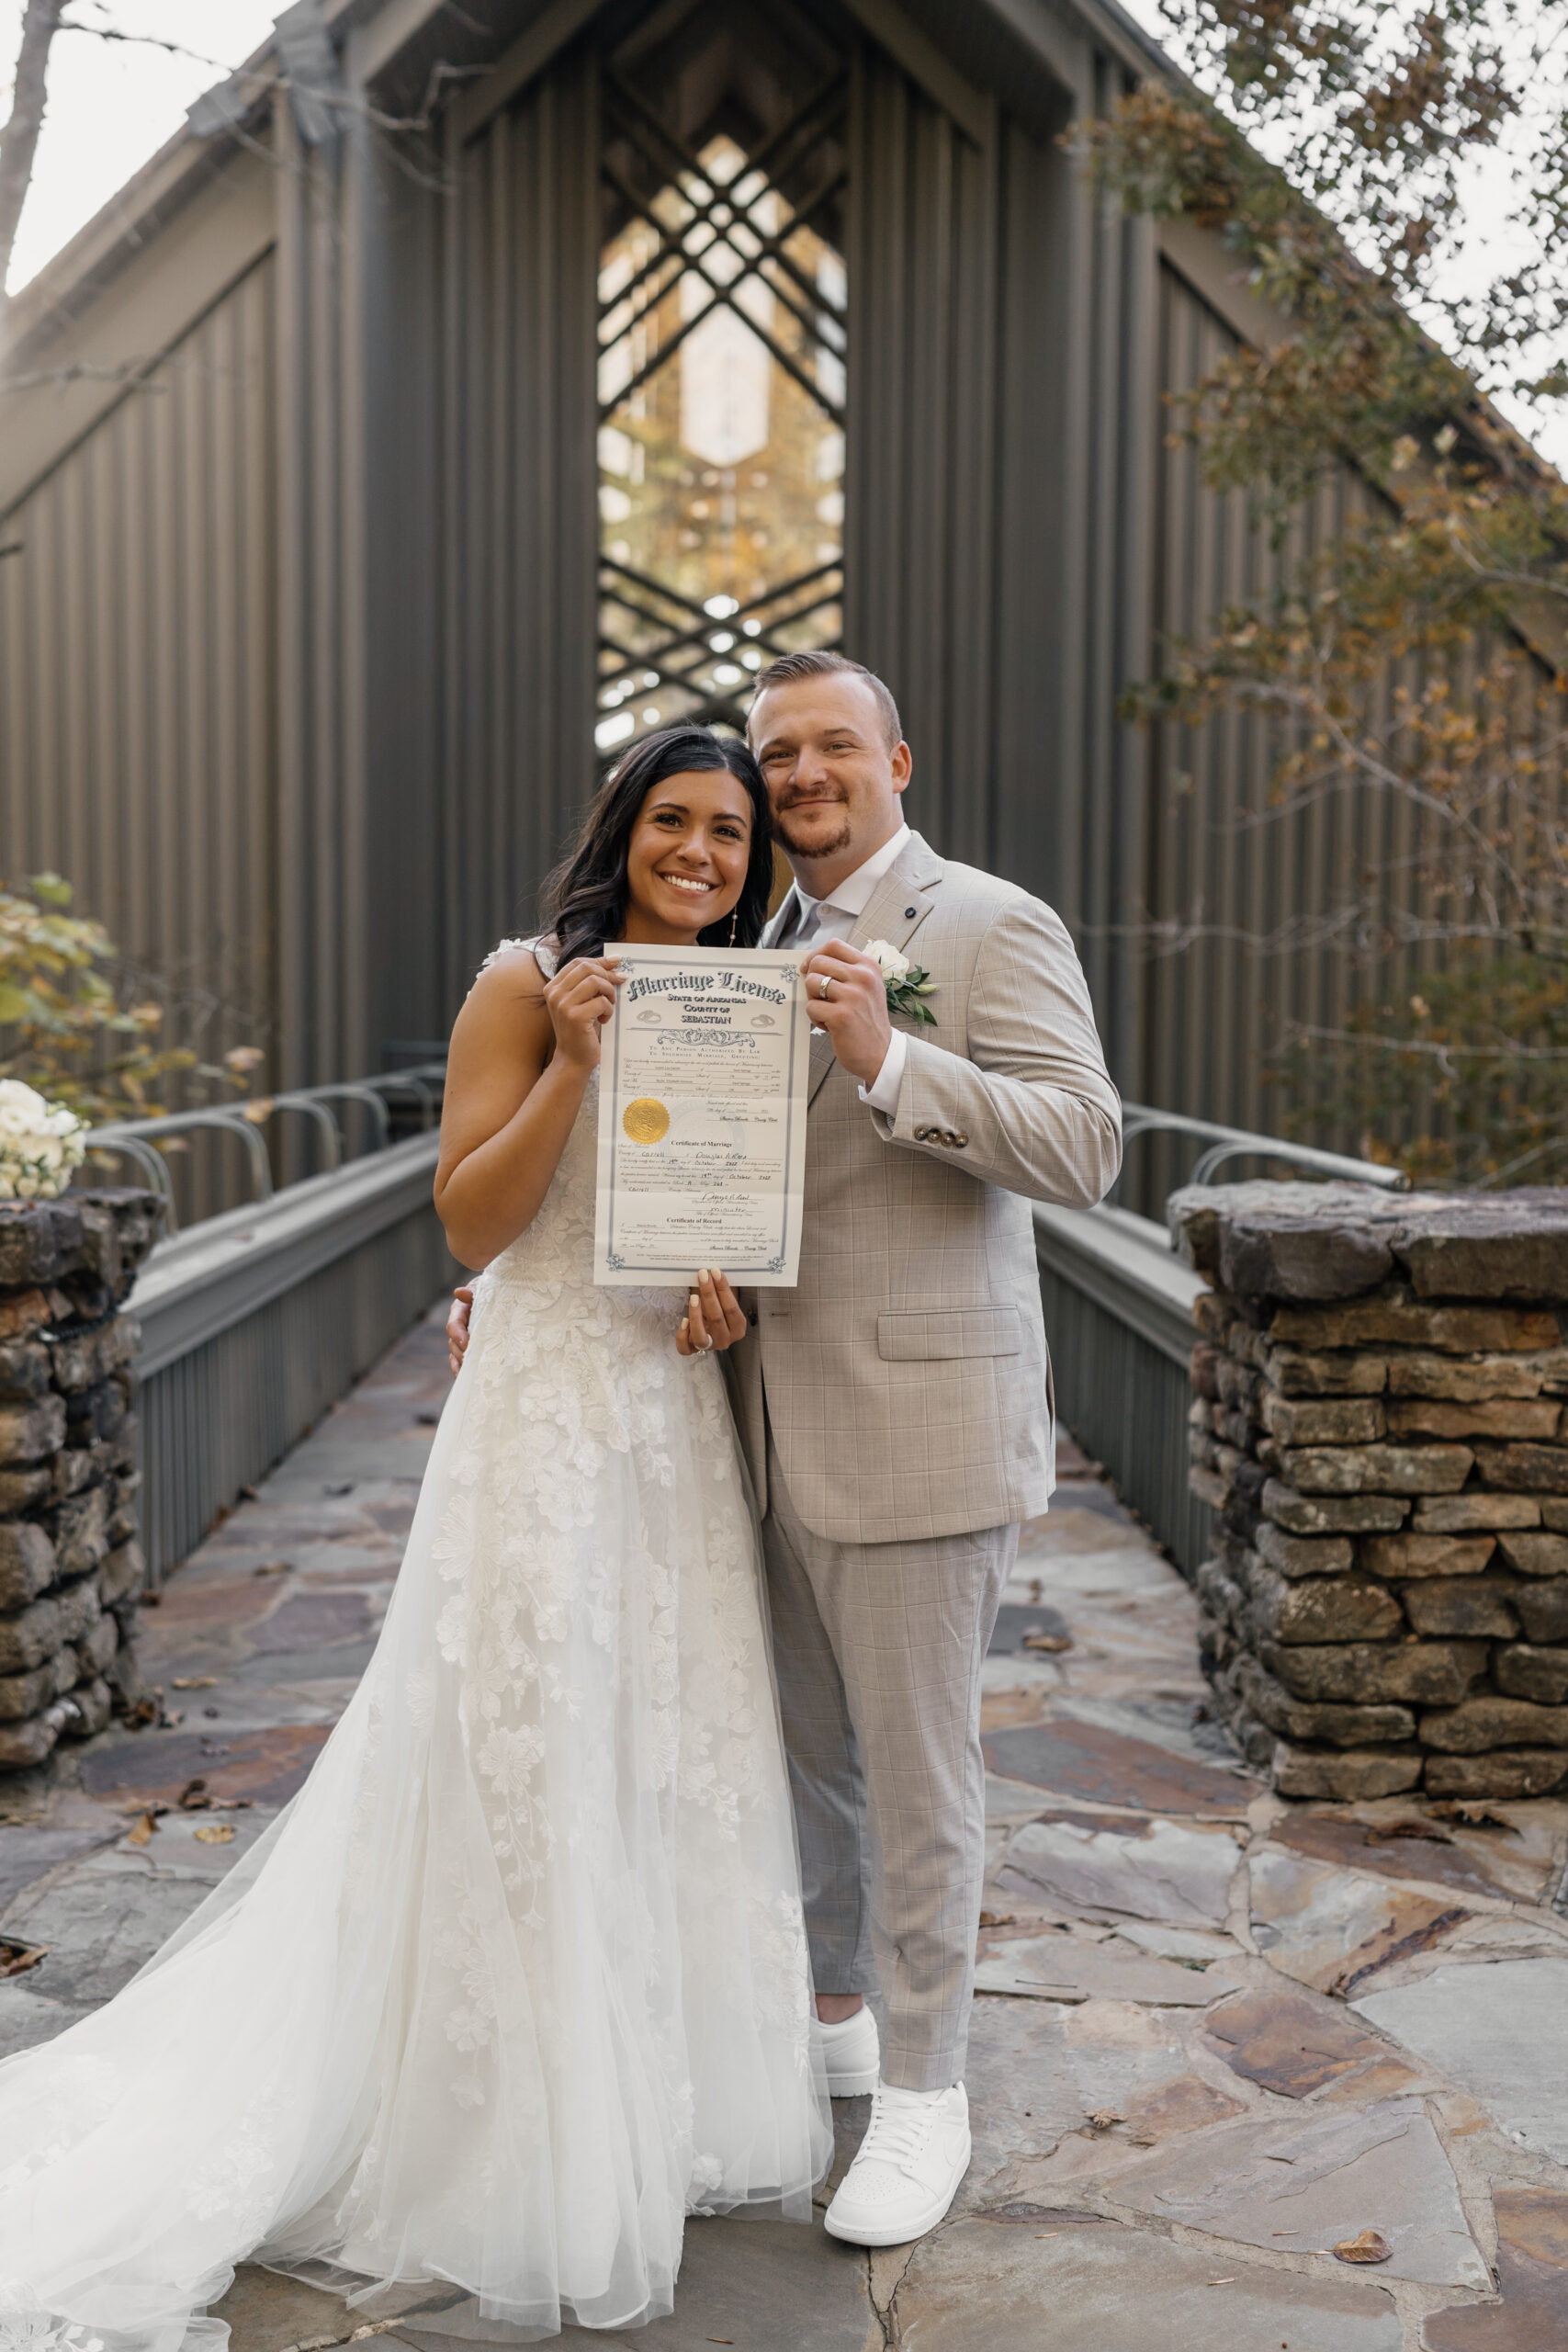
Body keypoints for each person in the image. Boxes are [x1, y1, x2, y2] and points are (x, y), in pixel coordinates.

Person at [0, 726, 830, 2350]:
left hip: (666, 1419)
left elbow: (721, 1209)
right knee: (514, 1748)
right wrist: (580, 1063)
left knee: (660, 1745)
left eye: (731, 835)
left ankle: (643, 2097)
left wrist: (727, 1287)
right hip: (540, 1414)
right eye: (673, 821)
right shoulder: (528, 981)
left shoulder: (750, 1005)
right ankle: (499, 2120)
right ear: (624, 830)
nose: (702, 855)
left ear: (757, 862)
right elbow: (470, 1220)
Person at [454, 651, 1122, 2252]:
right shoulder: (742, 940)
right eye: (780, 757)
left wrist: (894, 1057)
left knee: (917, 1773)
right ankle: (836, 2019)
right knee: (798, 1756)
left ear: (900, 755)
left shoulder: (983, 923)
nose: (803, 775)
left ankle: (926, 2095)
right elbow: (691, 1167)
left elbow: (1086, 1144)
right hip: (728, 1411)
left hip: (912, 1416)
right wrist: (538, 1289)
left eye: (833, 747)